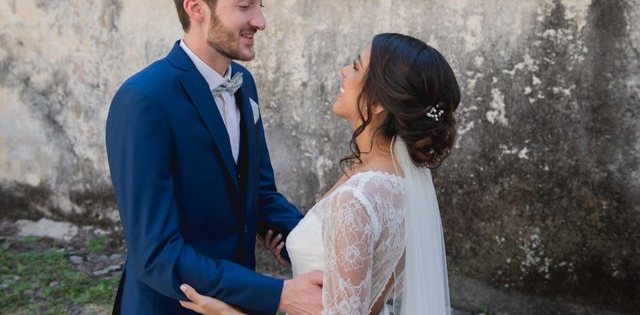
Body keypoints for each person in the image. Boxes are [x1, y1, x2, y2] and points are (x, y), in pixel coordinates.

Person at [105, 0, 323, 315]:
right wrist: (278, 295)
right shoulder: (144, 100)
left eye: (261, 4)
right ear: (196, 8)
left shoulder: (244, 84)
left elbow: (259, 193)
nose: (260, 21)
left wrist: (317, 246)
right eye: (245, 5)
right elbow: (157, 254)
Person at [179, 33, 461, 315]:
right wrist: (302, 245)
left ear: (377, 104)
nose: (344, 71)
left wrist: (227, 313)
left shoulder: (355, 199)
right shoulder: (401, 183)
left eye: (356, 67)